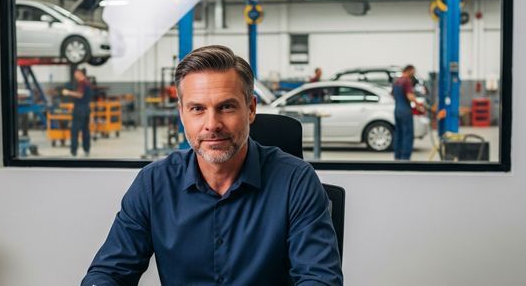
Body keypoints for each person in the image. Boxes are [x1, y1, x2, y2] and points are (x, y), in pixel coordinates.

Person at [82, 45, 342, 285]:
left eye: (226, 107)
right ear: (181, 113)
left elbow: (319, 279)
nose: (212, 124)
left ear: (251, 109)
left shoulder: (295, 181)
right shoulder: (154, 184)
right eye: (197, 109)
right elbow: (109, 272)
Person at [391, 65, 423, 160]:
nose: (413, 74)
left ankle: (397, 157)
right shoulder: (407, 81)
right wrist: (418, 105)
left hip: (397, 110)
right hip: (405, 111)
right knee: (407, 135)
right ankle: (405, 158)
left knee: (399, 134)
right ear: (409, 70)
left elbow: (393, 95)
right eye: (413, 72)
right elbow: (410, 96)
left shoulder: (396, 81)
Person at [63, 68, 93, 157]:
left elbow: (80, 95)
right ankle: (86, 149)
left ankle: (73, 151)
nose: (75, 75)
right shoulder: (88, 83)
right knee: (85, 130)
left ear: (80, 73)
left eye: (76, 73)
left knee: (75, 131)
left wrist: (68, 92)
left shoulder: (82, 83)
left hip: (79, 110)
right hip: (86, 109)